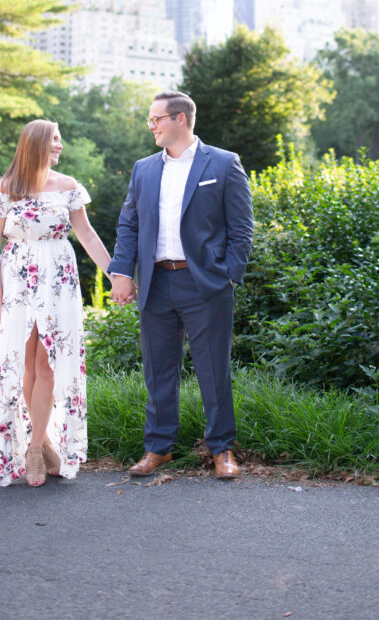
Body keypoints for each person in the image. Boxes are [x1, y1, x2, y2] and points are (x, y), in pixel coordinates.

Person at [109, 91, 254, 479]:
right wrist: (122, 272)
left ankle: (221, 450)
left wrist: (227, 274)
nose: (151, 126)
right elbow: (129, 225)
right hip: (155, 283)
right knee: (158, 372)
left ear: (180, 120)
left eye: (156, 119)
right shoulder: (143, 169)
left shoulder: (223, 164)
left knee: (213, 370)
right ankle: (158, 449)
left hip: (205, 283)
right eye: (150, 120)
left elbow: (242, 229)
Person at [0, 118, 113, 487]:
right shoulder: (3, 190)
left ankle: (35, 449)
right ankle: (42, 443)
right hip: (19, 281)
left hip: (59, 279)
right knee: (29, 366)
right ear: (37, 144)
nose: (61, 146)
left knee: (49, 364)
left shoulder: (68, 187)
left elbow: (86, 234)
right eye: (56, 140)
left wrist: (115, 274)